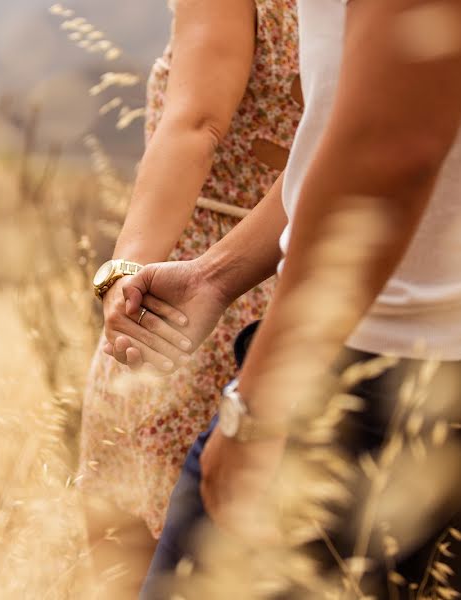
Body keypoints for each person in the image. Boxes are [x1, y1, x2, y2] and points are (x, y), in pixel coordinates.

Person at [104, 0, 461, 597]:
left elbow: (388, 147)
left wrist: (260, 406)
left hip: (384, 361)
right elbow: (358, 135)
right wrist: (215, 274)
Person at [78, 0, 302, 595]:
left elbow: (195, 124)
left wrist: (128, 270)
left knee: (133, 568)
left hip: (182, 300)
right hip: (298, 307)